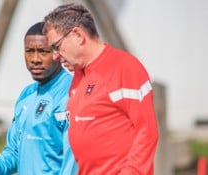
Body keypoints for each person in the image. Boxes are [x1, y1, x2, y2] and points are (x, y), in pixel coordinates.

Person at [43, 3, 159, 175]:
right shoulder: (77, 76)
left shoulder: (125, 67)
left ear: (78, 35)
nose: (55, 55)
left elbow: (147, 132)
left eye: (56, 46)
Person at [0, 22, 77, 175]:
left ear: (58, 53)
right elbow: (14, 152)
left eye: (43, 51)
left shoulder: (73, 94)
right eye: (29, 51)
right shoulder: (26, 95)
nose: (35, 59)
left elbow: (76, 161)